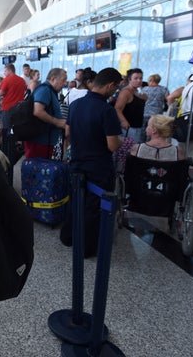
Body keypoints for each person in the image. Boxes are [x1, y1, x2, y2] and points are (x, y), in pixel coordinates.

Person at [60, 67, 123, 258]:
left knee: (75, 201)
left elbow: (68, 133)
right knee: (94, 207)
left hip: (77, 162)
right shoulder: (107, 110)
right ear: (111, 85)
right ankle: (87, 248)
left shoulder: (76, 104)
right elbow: (112, 145)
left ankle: (68, 237)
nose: (115, 92)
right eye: (116, 88)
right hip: (99, 167)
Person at [24, 68, 68, 159]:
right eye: (63, 80)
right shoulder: (45, 90)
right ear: (53, 79)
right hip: (39, 141)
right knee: (37, 169)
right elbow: (38, 111)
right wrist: (57, 122)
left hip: (44, 141)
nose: (64, 84)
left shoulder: (50, 91)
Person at [0, 63, 27, 183]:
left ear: (9, 70)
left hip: (8, 111)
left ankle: (7, 159)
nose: (4, 73)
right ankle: (14, 149)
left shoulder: (7, 80)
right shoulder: (21, 80)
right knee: (13, 134)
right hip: (19, 111)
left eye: (5, 71)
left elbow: (0, 93)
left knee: (6, 136)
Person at [114, 68, 148, 143]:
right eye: (135, 78)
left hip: (137, 127)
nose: (139, 81)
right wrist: (123, 121)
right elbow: (117, 109)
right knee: (128, 151)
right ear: (129, 79)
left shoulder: (137, 91)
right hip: (129, 128)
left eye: (140, 78)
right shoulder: (126, 92)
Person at [141, 74, 170, 141]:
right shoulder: (164, 89)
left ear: (151, 80)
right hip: (157, 114)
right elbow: (168, 100)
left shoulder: (145, 89)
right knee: (154, 132)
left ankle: (142, 145)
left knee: (142, 132)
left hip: (144, 113)